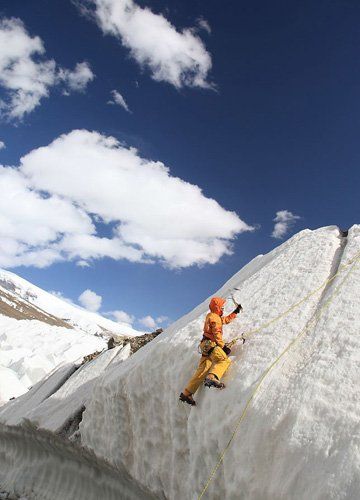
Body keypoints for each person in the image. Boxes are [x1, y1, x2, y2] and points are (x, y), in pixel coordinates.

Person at [179, 296, 242, 406]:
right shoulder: (215, 318)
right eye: (222, 307)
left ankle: (187, 393)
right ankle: (212, 377)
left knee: (203, 369)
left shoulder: (213, 316)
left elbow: (225, 320)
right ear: (217, 307)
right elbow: (217, 332)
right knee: (223, 361)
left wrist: (235, 312)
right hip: (211, 344)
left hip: (205, 345)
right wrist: (223, 347)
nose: (223, 309)